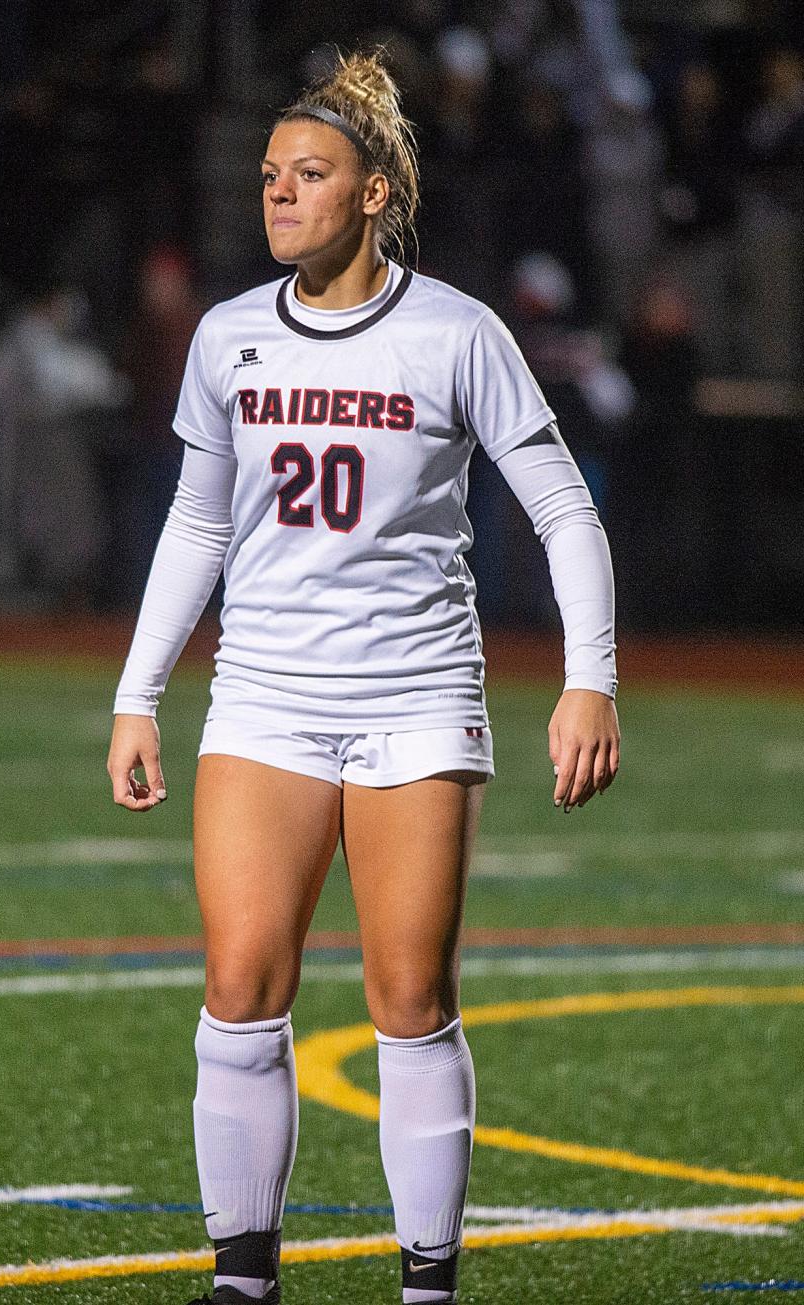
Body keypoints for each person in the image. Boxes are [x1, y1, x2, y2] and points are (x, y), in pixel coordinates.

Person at [107, 50, 619, 1305]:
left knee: (408, 996)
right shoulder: (229, 336)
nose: (280, 195)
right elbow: (197, 524)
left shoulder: (456, 331)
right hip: (266, 698)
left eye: (311, 174)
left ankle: (428, 1283)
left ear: (377, 189)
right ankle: (243, 1279)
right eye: (271, 176)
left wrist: (589, 677)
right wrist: (138, 692)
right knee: (241, 984)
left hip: (415, 700)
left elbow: (563, 509)